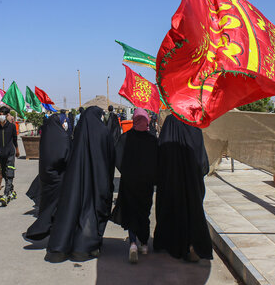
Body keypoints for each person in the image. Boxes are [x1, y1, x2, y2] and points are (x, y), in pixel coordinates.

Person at [46, 106, 115, 262]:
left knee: (74, 211)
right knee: (93, 211)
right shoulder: (104, 132)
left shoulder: (78, 133)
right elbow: (110, 158)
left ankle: (67, 245)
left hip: (76, 179)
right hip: (98, 179)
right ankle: (86, 247)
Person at [153, 114, 212, 262]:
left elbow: (159, 159)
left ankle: (171, 242)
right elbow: (203, 163)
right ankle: (192, 245)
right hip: (192, 183)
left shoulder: (168, 130)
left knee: (171, 210)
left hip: (170, 184)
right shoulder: (194, 129)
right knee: (192, 210)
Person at [111, 108, 158, 263]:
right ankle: (144, 244)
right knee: (144, 211)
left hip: (129, 182)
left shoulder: (125, 138)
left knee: (131, 211)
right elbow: (158, 162)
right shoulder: (152, 140)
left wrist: (126, 171)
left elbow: (117, 158)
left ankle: (132, 243)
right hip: (146, 183)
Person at [26, 113, 71, 240]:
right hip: (58, 176)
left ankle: (43, 229)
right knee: (56, 208)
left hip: (45, 175)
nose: (65, 124)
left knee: (47, 205)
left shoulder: (46, 135)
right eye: (63, 121)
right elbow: (64, 157)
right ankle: (46, 230)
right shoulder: (62, 137)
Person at [0, 106, 20, 206]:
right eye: (0, 114)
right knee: (4, 173)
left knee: (10, 173)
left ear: (7, 115)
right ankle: (12, 191)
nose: (1, 116)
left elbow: (15, 139)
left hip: (10, 153)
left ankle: (5, 195)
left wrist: (17, 150)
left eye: (3, 114)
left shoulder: (11, 127)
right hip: (1, 153)